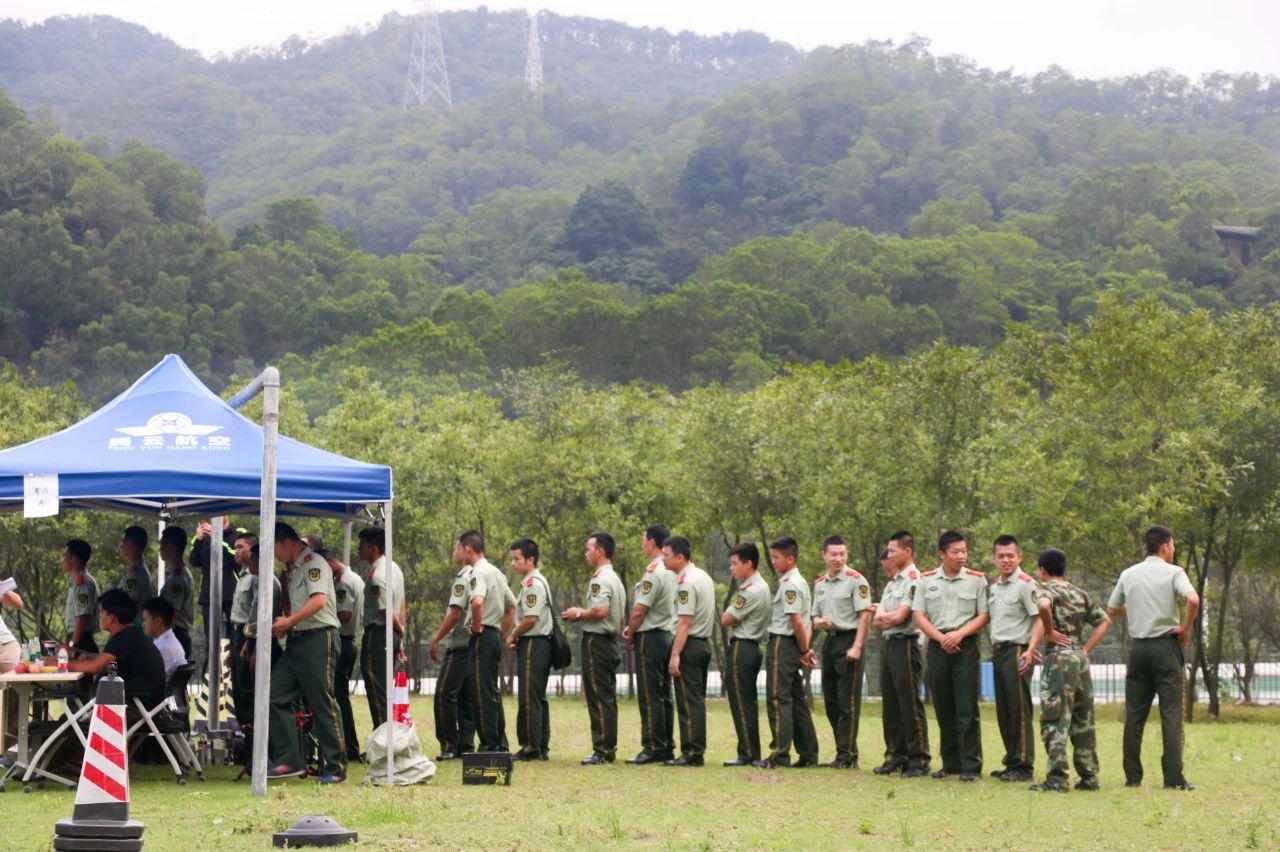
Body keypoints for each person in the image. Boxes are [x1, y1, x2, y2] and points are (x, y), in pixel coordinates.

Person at [1106, 524, 1200, 791]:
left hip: (1139, 650)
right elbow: (1193, 600)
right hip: (1165, 648)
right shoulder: (1173, 573)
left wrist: (1136, 611)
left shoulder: (1129, 574)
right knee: (1171, 713)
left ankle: (1132, 776)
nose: (1174, 550)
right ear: (1165, 546)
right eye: (1173, 545)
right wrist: (1186, 627)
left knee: (1135, 713)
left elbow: (1112, 608)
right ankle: (1173, 777)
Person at [1021, 547, 1111, 792]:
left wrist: (1049, 632)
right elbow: (1104, 621)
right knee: (1083, 718)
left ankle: (1057, 778)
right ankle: (1089, 776)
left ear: (1042, 570)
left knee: (1055, 717)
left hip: (1059, 657)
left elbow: (1042, 606)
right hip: (1079, 655)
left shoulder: (1044, 588)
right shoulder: (1079, 593)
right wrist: (1085, 649)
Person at [266, 522, 346, 784]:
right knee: (275, 692)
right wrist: (287, 623)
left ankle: (335, 767)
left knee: (322, 701)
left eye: (275, 548)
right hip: (298, 640)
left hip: (318, 638)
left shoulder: (314, 563)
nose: (275, 555)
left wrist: (289, 622)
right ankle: (290, 759)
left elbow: (319, 601)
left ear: (288, 543)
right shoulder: (294, 568)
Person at [912, 530, 989, 781]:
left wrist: (959, 635)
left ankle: (970, 765)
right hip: (937, 645)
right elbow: (918, 615)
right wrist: (940, 637)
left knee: (966, 707)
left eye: (964, 551)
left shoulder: (977, 580)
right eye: (955, 552)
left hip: (965, 645)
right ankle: (950, 762)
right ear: (941, 554)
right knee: (943, 706)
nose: (961, 556)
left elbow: (983, 615)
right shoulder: (925, 581)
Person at [561, 531, 626, 765]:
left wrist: (577, 613)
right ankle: (607, 746)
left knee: (598, 695)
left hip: (597, 642)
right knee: (606, 695)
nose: (586, 553)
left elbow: (601, 611)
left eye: (589, 548)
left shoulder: (601, 578)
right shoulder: (614, 577)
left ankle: (602, 748)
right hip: (607, 642)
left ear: (600, 551)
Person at [755, 536, 819, 769]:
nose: (773, 562)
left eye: (777, 558)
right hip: (792, 644)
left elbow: (796, 621)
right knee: (796, 700)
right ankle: (809, 753)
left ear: (790, 559)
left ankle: (779, 754)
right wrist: (804, 648)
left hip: (784, 643)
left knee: (777, 697)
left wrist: (805, 649)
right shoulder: (797, 581)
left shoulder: (790, 584)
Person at [810, 534, 873, 769]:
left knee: (848, 702)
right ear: (824, 555)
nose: (838, 558)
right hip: (830, 642)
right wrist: (818, 624)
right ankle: (843, 751)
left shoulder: (857, 580)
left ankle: (846, 756)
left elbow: (865, 614)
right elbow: (814, 614)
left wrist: (857, 646)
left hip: (849, 640)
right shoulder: (819, 584)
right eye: (833, 554)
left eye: (842, 554)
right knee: (831, 701)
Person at [873, 534, 930, 777]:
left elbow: (898, 617)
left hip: (906, 644)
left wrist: (884, 616)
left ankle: (918, 759)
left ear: (907, 551)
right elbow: (881, 620)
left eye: (893, 549)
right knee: (891, 704)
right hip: (890, 643)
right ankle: (895, 755)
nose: (889, 553)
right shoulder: (893, 582)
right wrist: (885, 617)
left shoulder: (914, 580)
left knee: (909, 703)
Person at [622, 523, 676, 765]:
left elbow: (639, 609)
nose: (642, 544)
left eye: (644, 540)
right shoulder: (672, 571)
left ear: (653, 542)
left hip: (651, 636)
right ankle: (666, 744)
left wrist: (630, 631)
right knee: (664, 693)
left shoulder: (654, 572)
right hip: (666, 634)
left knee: (650, 694)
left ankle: (653, 745)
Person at [987, 534, 1039, 782]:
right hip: (998, 651)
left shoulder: (1026, 584)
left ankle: (1024, 765)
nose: (1006, 560)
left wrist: (1031, 649)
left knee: (1019, 709)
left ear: (1019, 557)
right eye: (1001, 556)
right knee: (1005, 710)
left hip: (1018, 649)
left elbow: (1038, 617)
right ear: (994, 558)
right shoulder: (994, 587)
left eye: (1010, 556)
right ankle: (1011, 761)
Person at [67, 589, 166, 712]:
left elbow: (95, 667)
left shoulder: (123, 638)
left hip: (133, 710)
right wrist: (76, 654)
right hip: (140, 706)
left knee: (71, 710)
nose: (100, 616)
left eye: (102, 612)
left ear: (112, 618)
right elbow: (103, 659)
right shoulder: (132, 635)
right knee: (70, 714)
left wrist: (60, 664)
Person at [662, 535, 714, 767]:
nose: (663, 560)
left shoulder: (686, 582)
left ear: (680, 557)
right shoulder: (702, 576)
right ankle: (695, 749)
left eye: (667, 555)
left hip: (689, 644)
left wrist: (675, 654)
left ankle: (692, 752)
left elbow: (684, 621)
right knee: (696, 700)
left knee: (687, 701)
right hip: (702, 643)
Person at [719, 541, 770, 766]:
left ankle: (748, 752)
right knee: (746, 700)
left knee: (741, 701)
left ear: (748, 564)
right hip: (751, 646)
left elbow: (727, 619)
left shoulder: (750, 590)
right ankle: (749, 749)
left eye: (734, 563)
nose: (731, 568)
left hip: (743, 646)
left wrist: (732, 617)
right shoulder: (761, 586)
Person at [464, 530, 515, 752]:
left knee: (480, 692)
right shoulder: (497, 572)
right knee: (491, 691)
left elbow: (477, 603)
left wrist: (477, 628)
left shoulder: (477, 572)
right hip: (493, 635)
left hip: (483, 637)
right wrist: (500, 632)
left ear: (468, 549)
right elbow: (512, 606)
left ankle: (489, 743)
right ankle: (499, 742)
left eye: (458, 548)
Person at [505, 538, 553, 761]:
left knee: (528, 696)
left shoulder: (533, 583)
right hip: (536, 642)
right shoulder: (531, 582)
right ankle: (540, 744)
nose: (513, 563)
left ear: (530, 560)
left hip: (535, 643)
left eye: (517, 558)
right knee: (536, 695)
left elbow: (531, 618)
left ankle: (531, 746)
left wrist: (514, 633)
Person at [429, 545, 477, 760]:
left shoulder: (464, 577)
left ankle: (449, 744)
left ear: (466, 550)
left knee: (443, 693)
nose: (454, 551)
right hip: (473, 643)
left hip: (459, 644)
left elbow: (455, 613)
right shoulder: (479, 575)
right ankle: (466, 745)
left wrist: (437, 637)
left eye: (457, 546)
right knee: (466, 696)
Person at [229, 531, 281, 727]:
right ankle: (245, 728)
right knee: (239, 684)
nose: (236, 551)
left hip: (250, 635)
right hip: (240, 634)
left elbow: (257, 616)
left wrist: (250, 644)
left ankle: (251, 729)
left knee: (248, 685)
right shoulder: (244, 576)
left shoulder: (263, 580)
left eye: (240, 547)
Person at [358, 526, 406, 731]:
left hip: (379, 634)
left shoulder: (377, 575)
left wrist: (400, 630)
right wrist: (400, 636)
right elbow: (402, 603)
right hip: (391, 633)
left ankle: (383, 738)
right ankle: (387, 736)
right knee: (383, 687)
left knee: (377, 688)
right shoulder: (393, 567)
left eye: (362, 546)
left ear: (374, 548)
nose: (358, 550)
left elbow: (386, 611)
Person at [324, 547, 364, 762]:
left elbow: (345, 613)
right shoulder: (353, 577)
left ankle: (349, 746)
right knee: (339, 696)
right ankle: (349, 745)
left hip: (343, 640)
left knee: (338, 697)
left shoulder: (344, 582)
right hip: (347, 641)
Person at [190, 517, 239, 638]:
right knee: (210, 638)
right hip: (209, 594)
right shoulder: (202, 535)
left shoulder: (238, 533)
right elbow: (194, 561)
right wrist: (198, 539)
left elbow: (236, 559)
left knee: (235, 637)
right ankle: (210, 657)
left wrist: (216, 538)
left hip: (232, 594)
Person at [158, 526, 195, 660]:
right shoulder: (176, 574)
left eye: (162, 545)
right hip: (175, 635)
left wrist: (163, 640)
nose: (159, 549)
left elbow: (172, 613)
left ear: (171, 547)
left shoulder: (178, 578)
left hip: (175, 635)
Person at [63, 538, 100, 654]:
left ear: (74, 559)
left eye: (65, 556)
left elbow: (82, 618)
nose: (61, 560)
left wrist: (73, 645)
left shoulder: (83, 583)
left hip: (81, 641)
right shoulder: (77, 583)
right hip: (78, 638)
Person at [113, 525, 153, 618]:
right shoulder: (136, 570)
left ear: (132, 544)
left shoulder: (135, 573)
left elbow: (128, 605)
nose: (121, 545)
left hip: (134, 627)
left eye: (124, 541)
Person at [141, 595, 184, 679]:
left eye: (145, 620)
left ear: (158, 621)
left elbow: (146, 679)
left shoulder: (164, 648)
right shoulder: (169, 642)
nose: (143, 624)